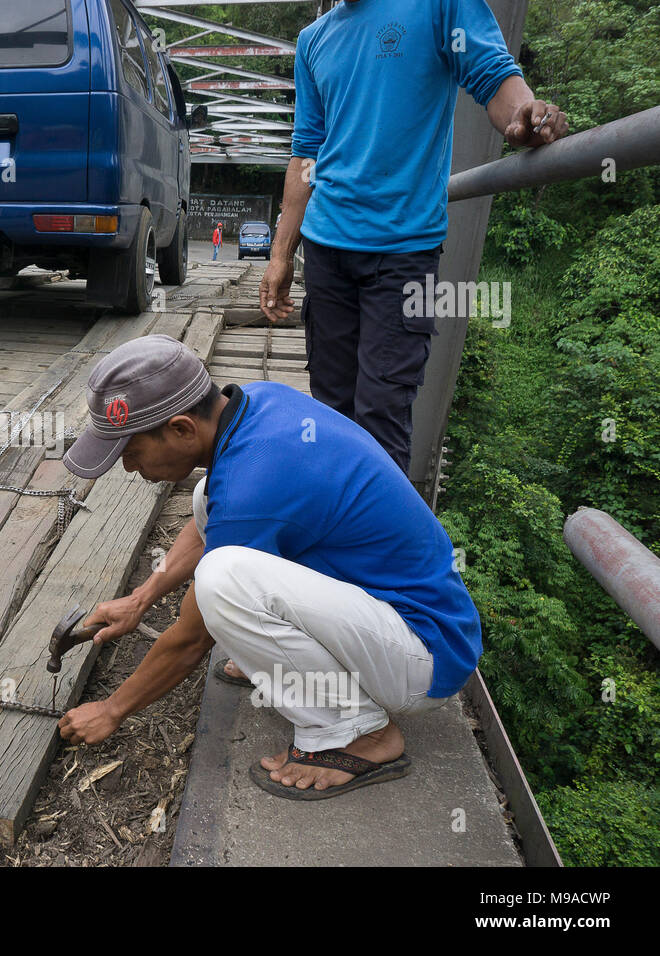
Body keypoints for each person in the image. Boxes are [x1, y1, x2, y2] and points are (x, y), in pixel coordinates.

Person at [56, 334, 482, 799]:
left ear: (180, 429)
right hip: (401, 616)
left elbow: (192, 638)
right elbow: (215, 522)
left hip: (425, 656)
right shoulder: (257, 402)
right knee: (207, 500)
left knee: (223, 581)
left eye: (131, 453)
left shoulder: (253, 492)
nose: (128, 469)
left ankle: (360, 734)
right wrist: (139, 600)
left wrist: (113, 710)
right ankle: (297, 662)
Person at [259, 0, 568, 474]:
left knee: (382, 416)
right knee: (331, 411)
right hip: (325, 250)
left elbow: (493, 77)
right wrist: (281, 253)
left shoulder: (440, 5)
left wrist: (525, 116)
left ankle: (382, 545)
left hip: (403, 253)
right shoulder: (313, 40)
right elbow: (306, 154)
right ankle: (337, 536)